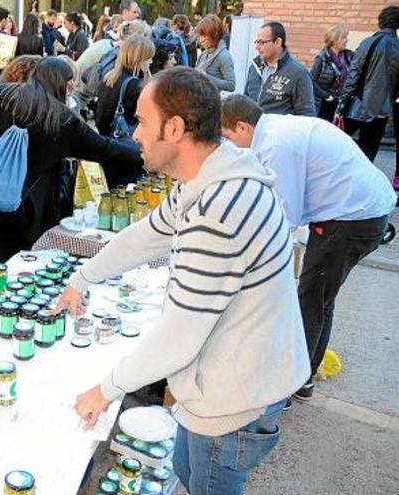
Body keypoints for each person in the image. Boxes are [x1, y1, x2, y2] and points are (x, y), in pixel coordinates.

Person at [60, 67, 308, 495]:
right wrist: (81, 278)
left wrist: (106, 390)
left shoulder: (219, 209)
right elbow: (146, 235)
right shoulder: (208, 178)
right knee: (184, 473)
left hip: (234, 401)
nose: (134, 133)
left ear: (174, 128)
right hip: (227, 381)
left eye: (141, 121)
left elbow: (179, 335)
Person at [220, 94, 395, 405]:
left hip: (352, 217)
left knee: (311, 298)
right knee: (320, 296)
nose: (228, 145)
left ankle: (291, 383)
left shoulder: (275, 145)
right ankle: (302, 377)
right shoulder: (273, 130)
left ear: (242, 126)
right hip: (360, 209)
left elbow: (282, 217)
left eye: (226, 136)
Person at [0, 57, 143, 261]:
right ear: (66, 84)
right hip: (25, 207)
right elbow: (105, 148)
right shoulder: (64, 121)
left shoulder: (1, 95)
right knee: (9, 264)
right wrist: (143, 156)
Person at [337, 5, 399, 170]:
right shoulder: (397, 46)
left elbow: (353, 75)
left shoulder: (368, 42)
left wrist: (341, 104)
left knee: (339, 146)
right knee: (369, 153)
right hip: (381, 110)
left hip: (358, 106)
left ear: (380, 22)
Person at [95, 34, 154, 185]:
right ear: (139, 59)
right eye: (149, 58)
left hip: (107, 144)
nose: (151, 61)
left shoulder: (109, 77)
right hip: (128, 149)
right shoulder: (135, 85)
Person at [244, 21, 316, 116]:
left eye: (261, 42)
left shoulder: (298, 73)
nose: (257, 47)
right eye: (256, 42)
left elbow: (307, 115)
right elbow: (245, 100)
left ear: (278, 42)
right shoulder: (254, 67)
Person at [310, 25, 352, 122]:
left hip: (339, 102)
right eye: (344, 38)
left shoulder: (348, 56)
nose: (347, 40)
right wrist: (327, 96)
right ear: (335, 40)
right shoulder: (322, 58)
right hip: (324, 103)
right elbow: (311, 80)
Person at [194, 14, 234, 92]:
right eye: (199, 36)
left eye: (204, 36)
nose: (201, 40)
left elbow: (231, 85)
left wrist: (207, 77)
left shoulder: (224, 56)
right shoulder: (204, 53)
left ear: (214, 35)